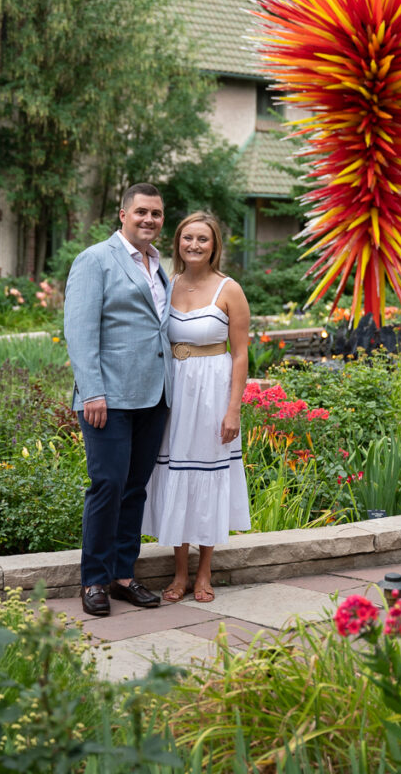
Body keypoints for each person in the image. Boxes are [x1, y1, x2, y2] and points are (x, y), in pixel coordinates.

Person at [64, 183, 172, 617]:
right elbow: (80, 330)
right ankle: (94, 580)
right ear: (123, 214)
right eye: (142, 211)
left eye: (156, 213)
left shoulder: (157, 264)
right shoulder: (95, 260)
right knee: (107, 485)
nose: (149, 219)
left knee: (134, 488)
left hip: (154, 395)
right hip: (107, 397)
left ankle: (123, 575)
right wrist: (91, 391)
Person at [142, 211, 251, 603]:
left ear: (214, 245)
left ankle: (204, 572)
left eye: (202, 239)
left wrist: (233, 409)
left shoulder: (229, 289)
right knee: (176, 474)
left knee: (208, 476)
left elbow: (241, 354)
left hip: (212, 394)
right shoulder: (166, 284)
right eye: (187, 237)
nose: (194, 245)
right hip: (174, 395)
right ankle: (179, 573)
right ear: (177, 242)